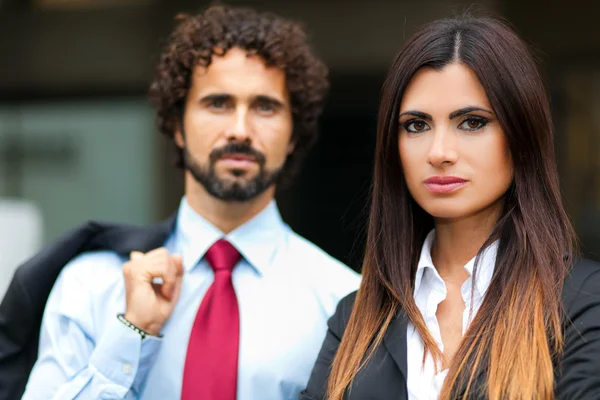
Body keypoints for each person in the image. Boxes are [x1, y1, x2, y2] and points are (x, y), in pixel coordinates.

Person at [19, 4, 360, 400]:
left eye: (265, 107)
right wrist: (131, 335)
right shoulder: (91, 284)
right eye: (218, 103)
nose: (240, 129)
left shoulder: (343, 302)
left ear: (294, 133)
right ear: (177, 125)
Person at [300, 15, 600, 400]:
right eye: (416, 125)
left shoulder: (583, 302)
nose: (439, 153)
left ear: (522, 135)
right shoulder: (356, 317)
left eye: (472, 122)